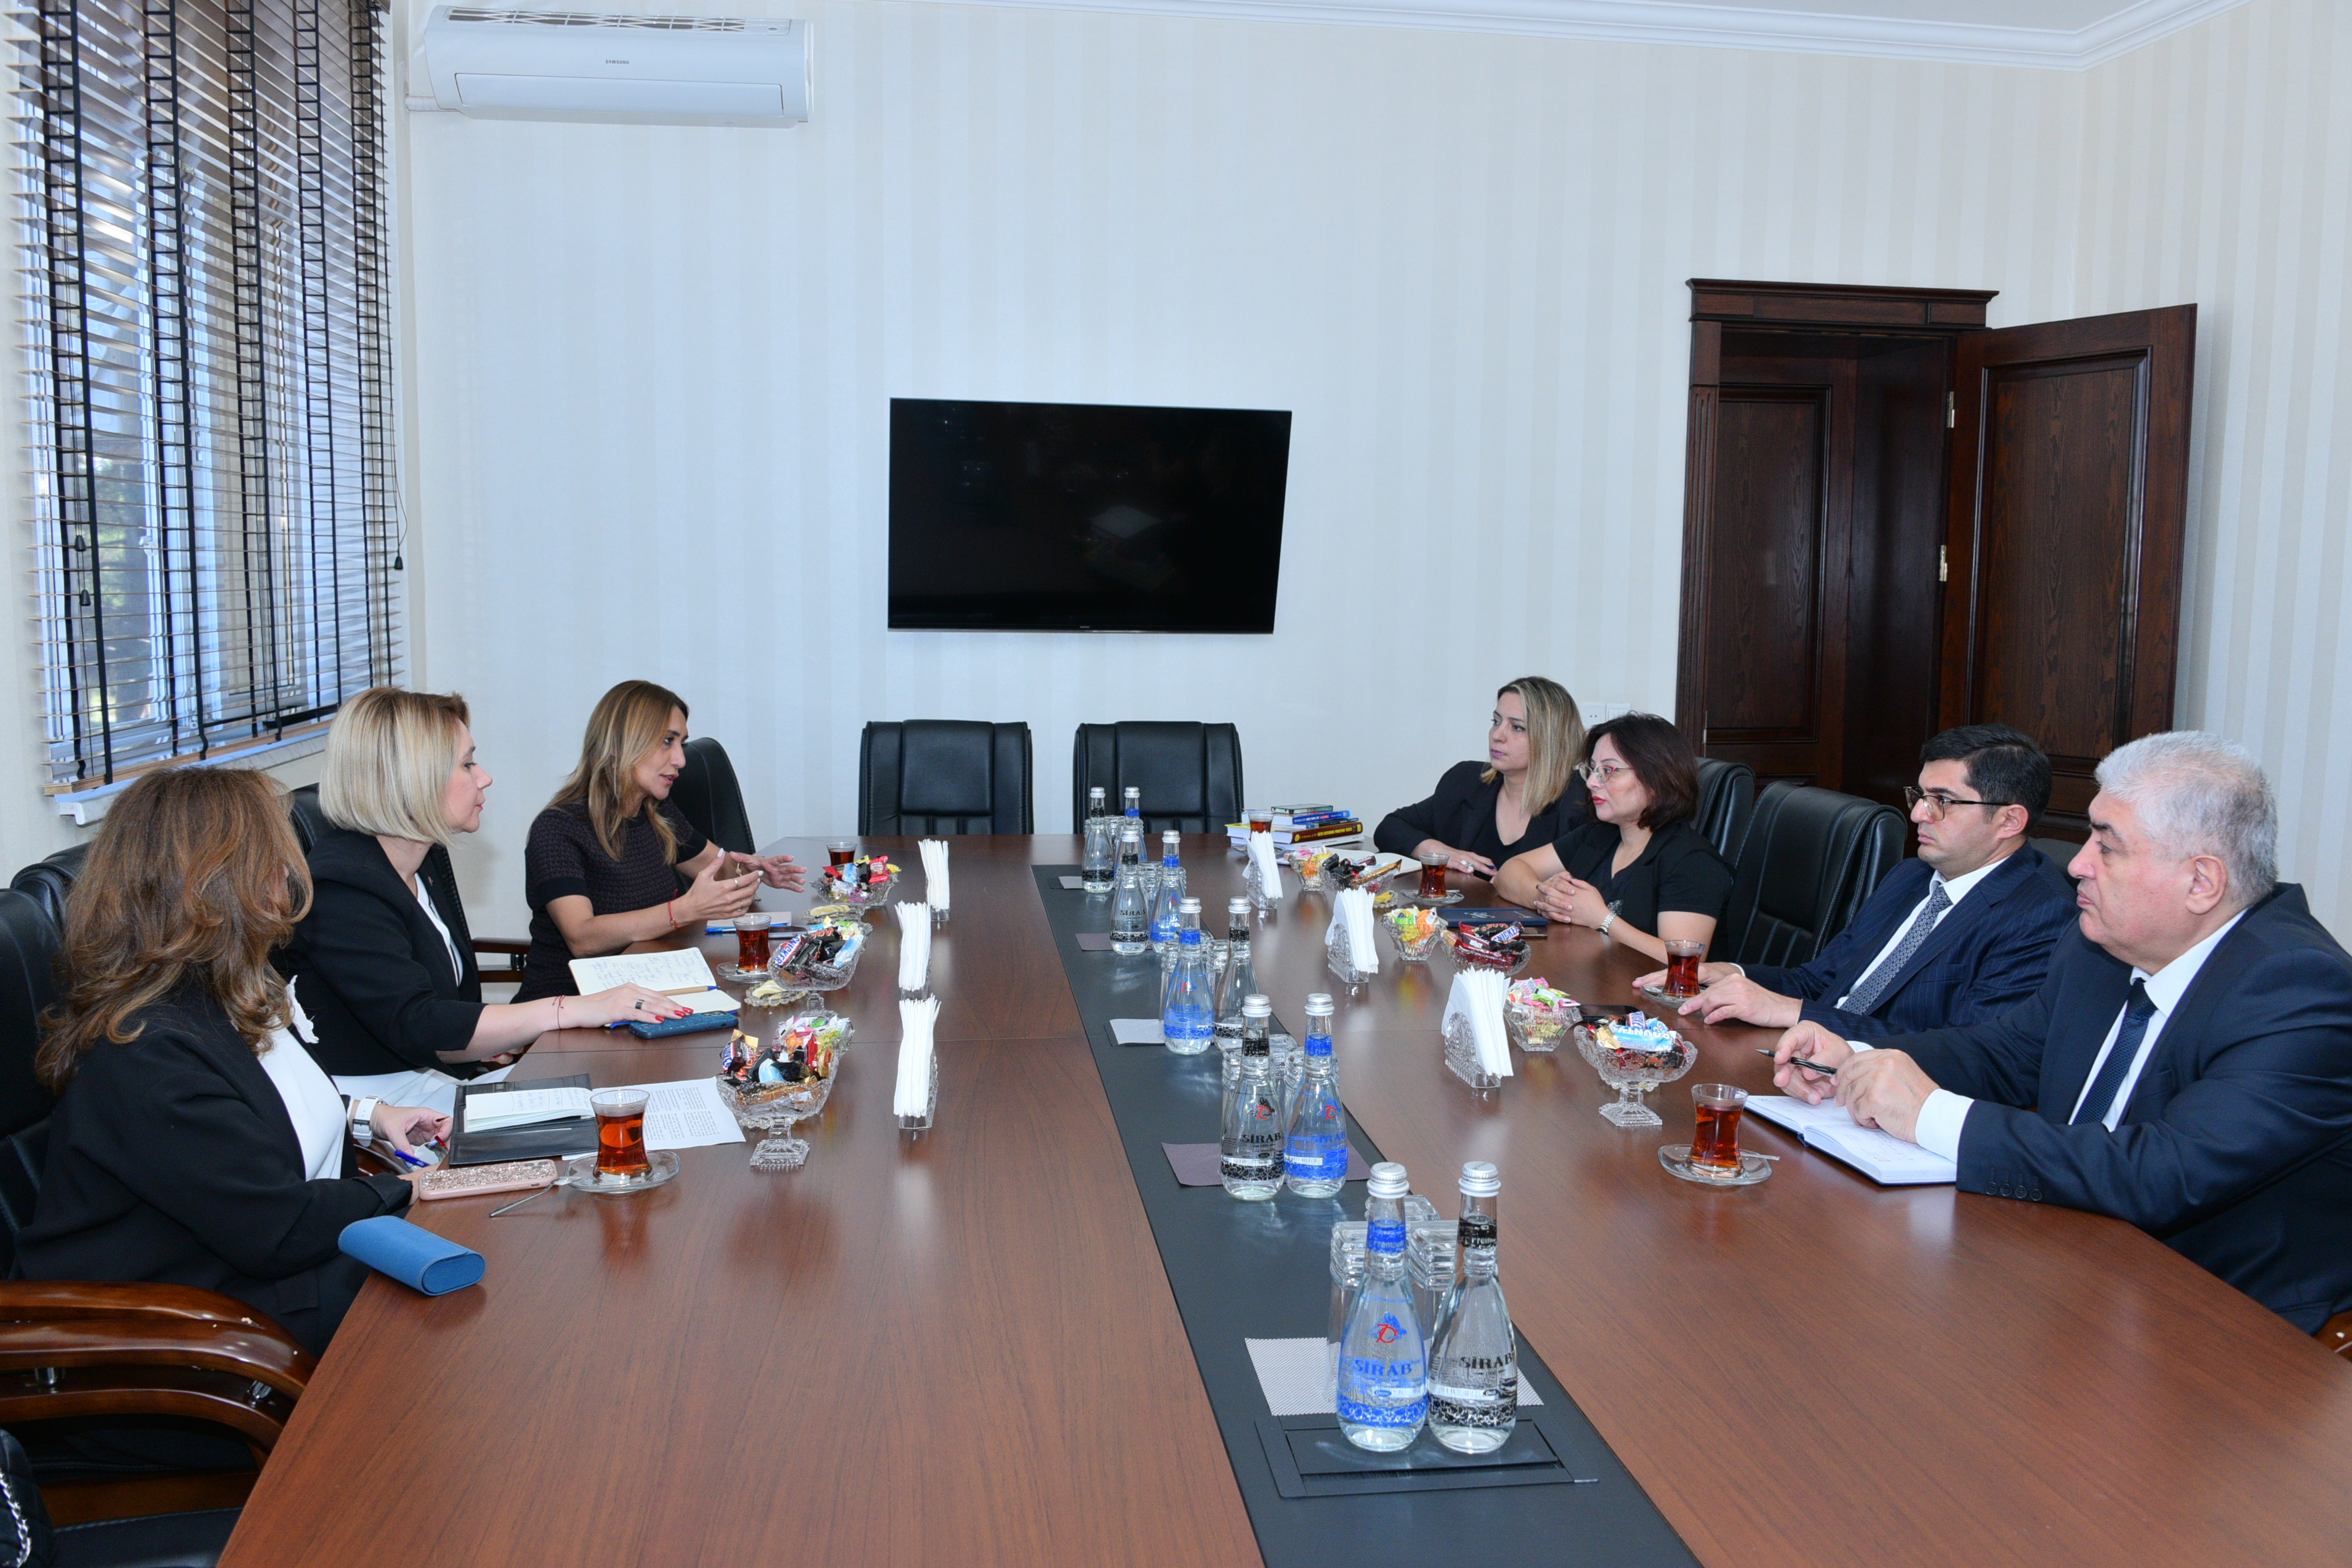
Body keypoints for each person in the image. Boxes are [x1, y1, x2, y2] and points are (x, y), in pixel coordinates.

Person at [1769, 732, 2352, 1331]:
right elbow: (2001, 1053)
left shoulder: (2299, 988)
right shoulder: (2099, 943)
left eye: (2107, 846)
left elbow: (2163, 1173)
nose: (2077, 865)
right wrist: (1855, 1055)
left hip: (2216, 1318)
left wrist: (1930, 1114)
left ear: (2201, 881)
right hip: (2061, 1257)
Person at [17, 767, 448, 1360]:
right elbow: (278, 1227)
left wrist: (366, 1115)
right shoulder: (145, 1048)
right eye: (274, 861)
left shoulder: (223, 991)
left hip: (252, 1283)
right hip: (173, 1336)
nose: (289, 878)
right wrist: (409, 1187)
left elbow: (250, 1110)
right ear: (219, 887)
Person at [284, 687, 691, 1110]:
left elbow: (444, 1007)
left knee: (641, 1094)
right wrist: (571, 1009)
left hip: (439, 1080)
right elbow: (420, 1025)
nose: (485, 777)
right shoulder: (344, 887)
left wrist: (494, 1039)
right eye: (467, 764)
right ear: (413, 779)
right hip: (382, 1106)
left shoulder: (422, 861)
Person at [1641, 724, 2077, 1033]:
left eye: (1942, 801)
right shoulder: (1912, 876)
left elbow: (1965, 1049)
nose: (1918, 814)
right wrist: (1728, 974)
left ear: (2009, 820)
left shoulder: (2040, 916)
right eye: (1920, 796)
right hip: (1811, 1059)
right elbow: (1820, 981)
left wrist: (1798, 1014)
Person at [517, 680, 803, 1001]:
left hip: (648, 990)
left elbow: (717, 866)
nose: (681, 759)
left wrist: (752, 869)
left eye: (682, 743)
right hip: (570, 1006)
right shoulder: (558, 828)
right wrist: (684, 910)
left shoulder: (656, 812)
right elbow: (583, 938)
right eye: (668, 741)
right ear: (621, 744)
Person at [1492, 713, 1732, 967]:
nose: (1592, 783)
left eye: (1608, 771)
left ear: (1656, 777)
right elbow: (1510, 872)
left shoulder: (1693, 862)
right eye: (1592, 770)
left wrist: (1602, 919)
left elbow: (1683, 961)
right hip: (1588, 976)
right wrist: (1552, 900)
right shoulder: (1600, 835)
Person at [1374, 677, 1594, 878]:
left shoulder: (1581, 803)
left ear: (1551, 739)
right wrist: (1439, 852)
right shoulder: (1467, 780)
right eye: (1496, 721)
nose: (1497, 735)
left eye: (1517, 727)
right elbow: (1390, 828)